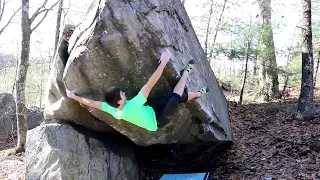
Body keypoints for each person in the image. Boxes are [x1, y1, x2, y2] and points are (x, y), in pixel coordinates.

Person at [66, 49, 209, 131]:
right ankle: (186, 73)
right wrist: (164, 61)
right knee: (175, 99)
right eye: (122, 94)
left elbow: (92, 103)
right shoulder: (131, 106)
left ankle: (198, 94)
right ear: (119, 100)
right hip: (158, 121)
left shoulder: (112, 109)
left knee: (179, 97)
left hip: (150, 109)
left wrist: (74, 96)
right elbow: (150, 83)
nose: (124, 93)